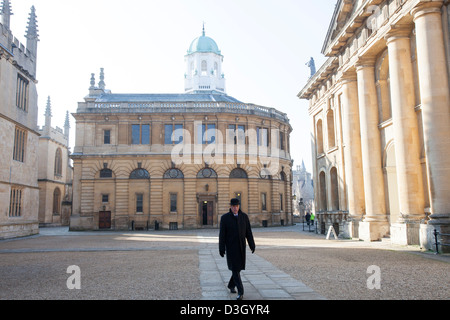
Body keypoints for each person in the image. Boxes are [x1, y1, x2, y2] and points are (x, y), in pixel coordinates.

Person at [219, 198, 255, 300]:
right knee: (235, 269)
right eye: (233, 206)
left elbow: (248, 232)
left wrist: (252, 245)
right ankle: (241, 292)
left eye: (237, 206)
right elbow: (222, 235)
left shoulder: (244, 217)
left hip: (241, 247)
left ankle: (231, 285)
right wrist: (221, 248)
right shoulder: (225, 218)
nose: (235, 208)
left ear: (239, 206)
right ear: (230, 207)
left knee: (237, 269)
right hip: (231, 248)